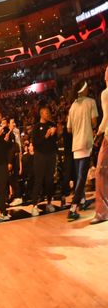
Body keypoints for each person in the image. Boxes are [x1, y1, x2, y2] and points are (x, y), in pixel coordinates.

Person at [66, 81, 98, 221]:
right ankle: (73, 208)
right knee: (81, 178)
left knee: (79, 175)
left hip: (76, 144)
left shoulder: (72, 106)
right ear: (83, 90)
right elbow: (94, 123)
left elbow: (69, 129)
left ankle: (83, 202)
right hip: (86, 142)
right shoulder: (90, 102)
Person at [29, 107, 58, 216]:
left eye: (49, 112)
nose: (48, 114)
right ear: (41, 114)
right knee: (39, 180)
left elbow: (55, 141)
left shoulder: (52, 125)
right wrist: (46, 136)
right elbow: (35, 143)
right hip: (40, 157)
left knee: (50, 181)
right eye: (46, 113)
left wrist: (55, 133)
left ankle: (49, 203)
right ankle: (34, 206)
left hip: (51, 156)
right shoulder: (36, 127)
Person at [92, 65, 108, 225]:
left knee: (101, 173)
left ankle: (102, 212)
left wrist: (98, 135)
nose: (104, 75)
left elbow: (106, 117)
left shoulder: (105, 93)